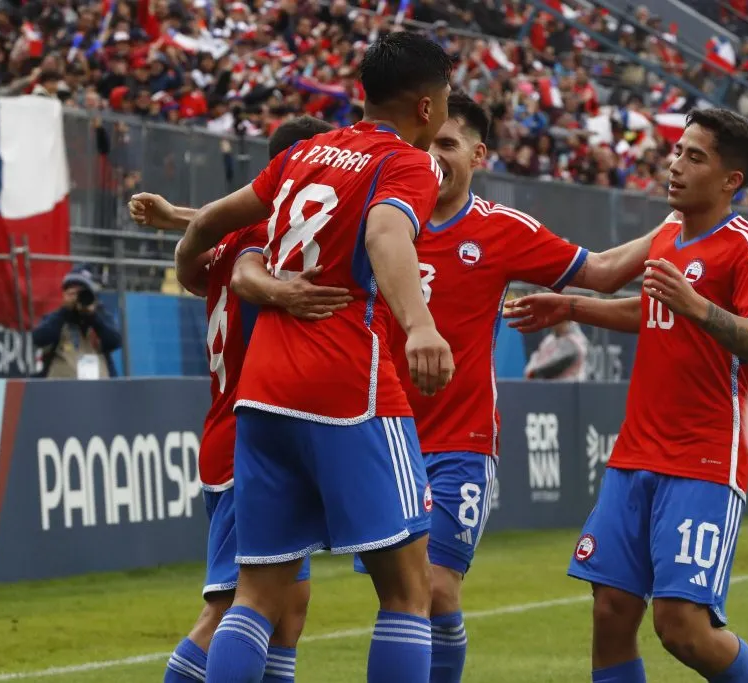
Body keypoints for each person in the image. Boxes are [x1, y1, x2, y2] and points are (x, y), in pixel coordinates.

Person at [344, 91, 669, 683]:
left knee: (436, 588)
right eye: (428, 143)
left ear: (478, 155)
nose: (434, 156)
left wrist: (678, 221)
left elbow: (600, 272)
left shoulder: (499, 229)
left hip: (460, 441)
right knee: (401, 597)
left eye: (449, 144)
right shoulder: (377, 216)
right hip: (380, 436)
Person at [176, 32, 455, 683]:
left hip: (262, 393)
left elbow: (211, 221)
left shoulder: (302, 153)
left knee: (255, 596)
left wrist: (188, 261)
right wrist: (420, 325)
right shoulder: (409, 163)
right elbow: (385, 232)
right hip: (347, 388)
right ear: (426, 106)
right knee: (408, 589)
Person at [505, 108, 748, 683]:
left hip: (703, 458)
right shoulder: (666, 236)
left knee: (682, 628)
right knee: (610, 611)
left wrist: (698, 306)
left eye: (694, 157)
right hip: (635, 454)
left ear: (731, 180)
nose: (675, 165)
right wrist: (572, 305)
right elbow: (649, 306)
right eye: (678, 151)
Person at [130, 117, 348, 683]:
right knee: (232, 606)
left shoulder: (242, 237)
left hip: (249, 435)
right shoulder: (275, 243)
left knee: (289, 609)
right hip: (247, 441)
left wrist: (176, 219)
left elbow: (215, 234)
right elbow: (255, 258)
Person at [31, 265, 122, 379]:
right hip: (62, 387)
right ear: (65, 294)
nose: (79, 297)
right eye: (73, 292)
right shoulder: (57, 318)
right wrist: (65, 310)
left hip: (99, 387)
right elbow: (38, 338)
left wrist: (93, 317)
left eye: (83, 293)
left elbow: (115, 341)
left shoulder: (101, 316)